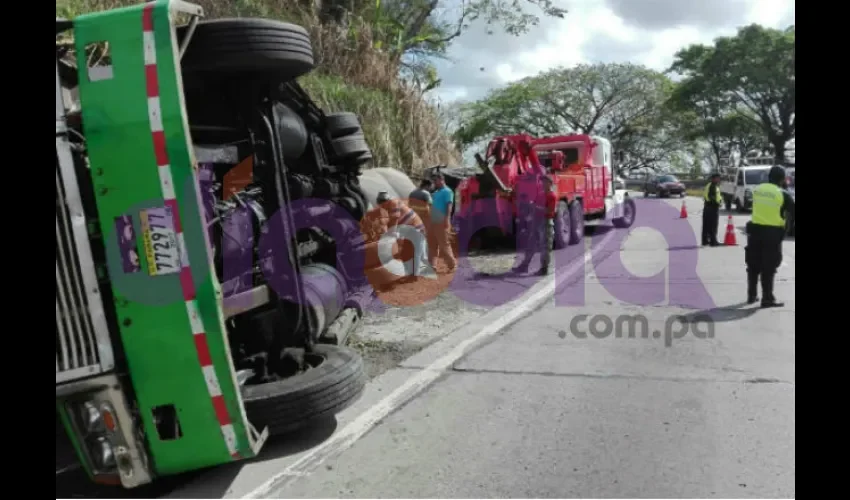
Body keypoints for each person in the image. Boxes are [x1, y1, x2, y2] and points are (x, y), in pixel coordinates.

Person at [745, 165, 794, 308]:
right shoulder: (782, 193)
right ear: (782, 179)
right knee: (769, 266)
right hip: (772, 234)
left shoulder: (757, 190)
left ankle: (751, 295)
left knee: (753, 264)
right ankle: (767, 298)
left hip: (754, 232)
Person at [376, 192, 429, 279]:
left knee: (415, 252)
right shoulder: (389, 206)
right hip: (411, 229)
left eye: (382, 204)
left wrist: (391, 233)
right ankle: (418, 271)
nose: (382, 207)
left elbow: (395, 218)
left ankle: (414, 275)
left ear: (385, 201)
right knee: (412, 251)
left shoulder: (393, 203)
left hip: (415, 228)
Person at [512, 174, 556, 276]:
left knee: (545, 247)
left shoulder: (551, 196)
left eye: (545, 182)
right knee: (530, 245)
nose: (543, 183)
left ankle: (544, 269)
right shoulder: (540, 194)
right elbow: (534, 206)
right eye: (542, 181)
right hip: (537, 221)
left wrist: (535, 207)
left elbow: (549, 211)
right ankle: (524, 266)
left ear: (550, 183)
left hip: (546, 222)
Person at [429, 173, 457, 272]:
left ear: (442, 180)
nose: (434, 183)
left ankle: (452, 265)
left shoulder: (447, 191)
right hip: (433, 221)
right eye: (434, 181)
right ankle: (432, 265)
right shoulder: (436, 193)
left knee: (444, 244)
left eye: (436, 181)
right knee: (432, 244)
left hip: (442, 221)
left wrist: (447, 218)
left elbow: (449, 205)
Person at [702, 172, 722, 246]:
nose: (719, 179)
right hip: (712, 208)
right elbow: (712, 197)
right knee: (713, 225)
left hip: (708, 207)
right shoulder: (713, 186)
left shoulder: (709, 185)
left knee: (707, 225)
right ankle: (713, 242)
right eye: (718, 178)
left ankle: (705, 240)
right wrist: (718, 203)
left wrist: (719, 200)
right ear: (714, 179)